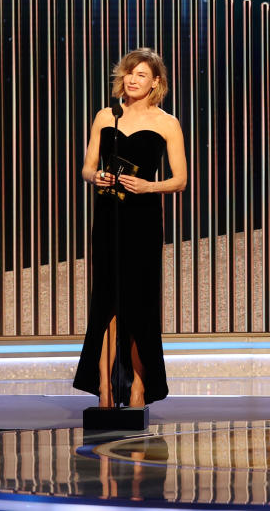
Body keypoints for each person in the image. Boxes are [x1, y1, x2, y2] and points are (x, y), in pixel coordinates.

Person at [73, 48, 188, 407]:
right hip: (109, 216)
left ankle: (139, 387)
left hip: (144, 220)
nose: (132, 79)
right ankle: (105, 390)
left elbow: (181, 180)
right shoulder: (107, 116)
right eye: (128, 73)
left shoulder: (167, 122)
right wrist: (97, 176)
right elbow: (86, 168)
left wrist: (150, 186)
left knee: (139, 304)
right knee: (107, 300)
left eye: (140, 74)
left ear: (156, 82)